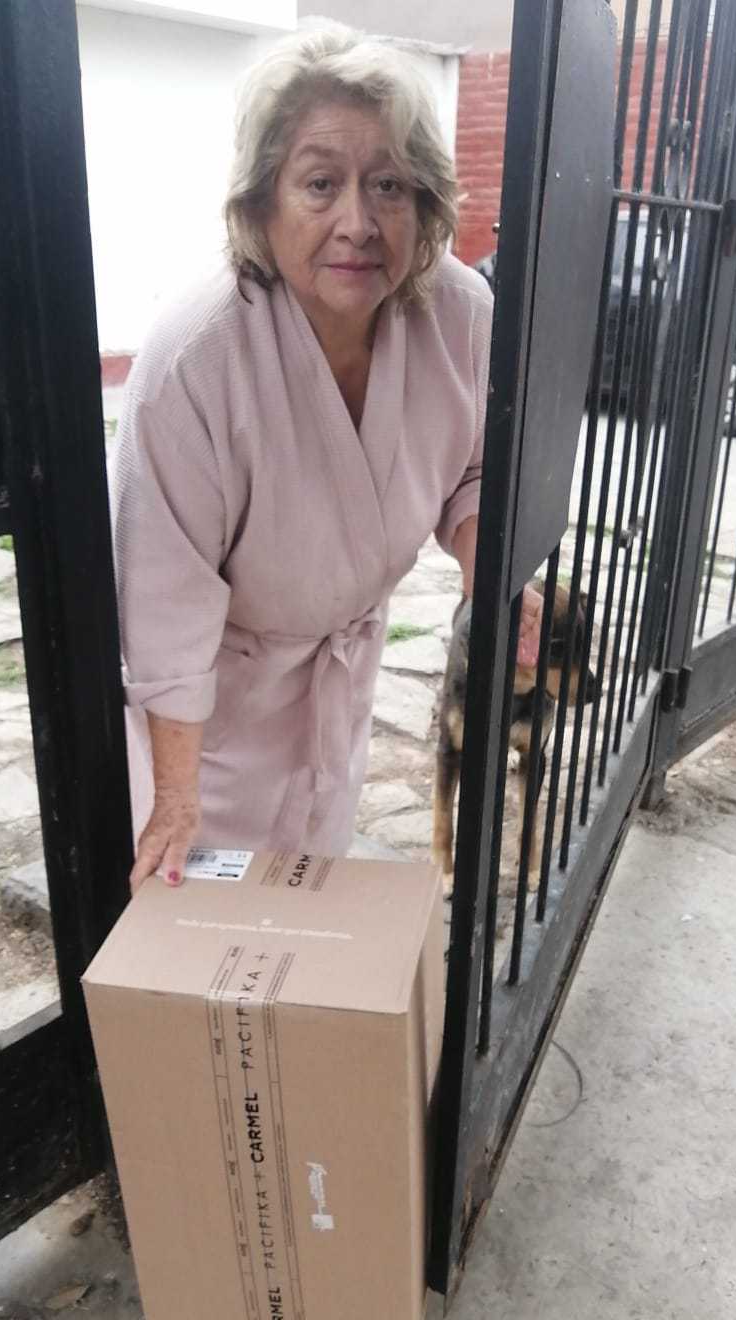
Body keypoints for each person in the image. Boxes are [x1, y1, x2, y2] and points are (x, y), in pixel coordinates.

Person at [112, 23, 542, 893]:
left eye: (388, 184)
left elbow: (472, 471)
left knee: (309, 890)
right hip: (214, 711)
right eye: (319, 183)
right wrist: (175, 797)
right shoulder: (197, 356)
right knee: (204, 920)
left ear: (424, 202)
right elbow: (163, 596)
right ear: (260, 204)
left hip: (340, 681)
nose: (358, 222)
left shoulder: (460, 317)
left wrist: (487, 566)